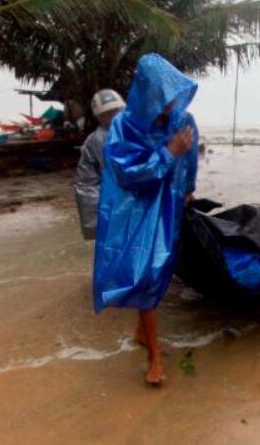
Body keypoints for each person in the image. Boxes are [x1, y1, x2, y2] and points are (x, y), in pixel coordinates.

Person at [93, 54, 198, 385]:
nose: (168, 105)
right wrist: (169, 152)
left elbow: (191, 160)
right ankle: (154, 357)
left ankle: (142, 329)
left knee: (160, 271)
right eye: (161, 96)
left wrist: (189, 190)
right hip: (137, 207)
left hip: (168, 204)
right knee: (146, 273)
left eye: (172, 96)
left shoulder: (183, 120)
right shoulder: (125, 126)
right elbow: (126, 173)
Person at [74, 89, 125, 240]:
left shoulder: (136, 132)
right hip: (115, 207)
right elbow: (86, 184)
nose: (114, 117)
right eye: (108, 114)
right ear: (99, 118)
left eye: (116, 111)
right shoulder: (96, 141)